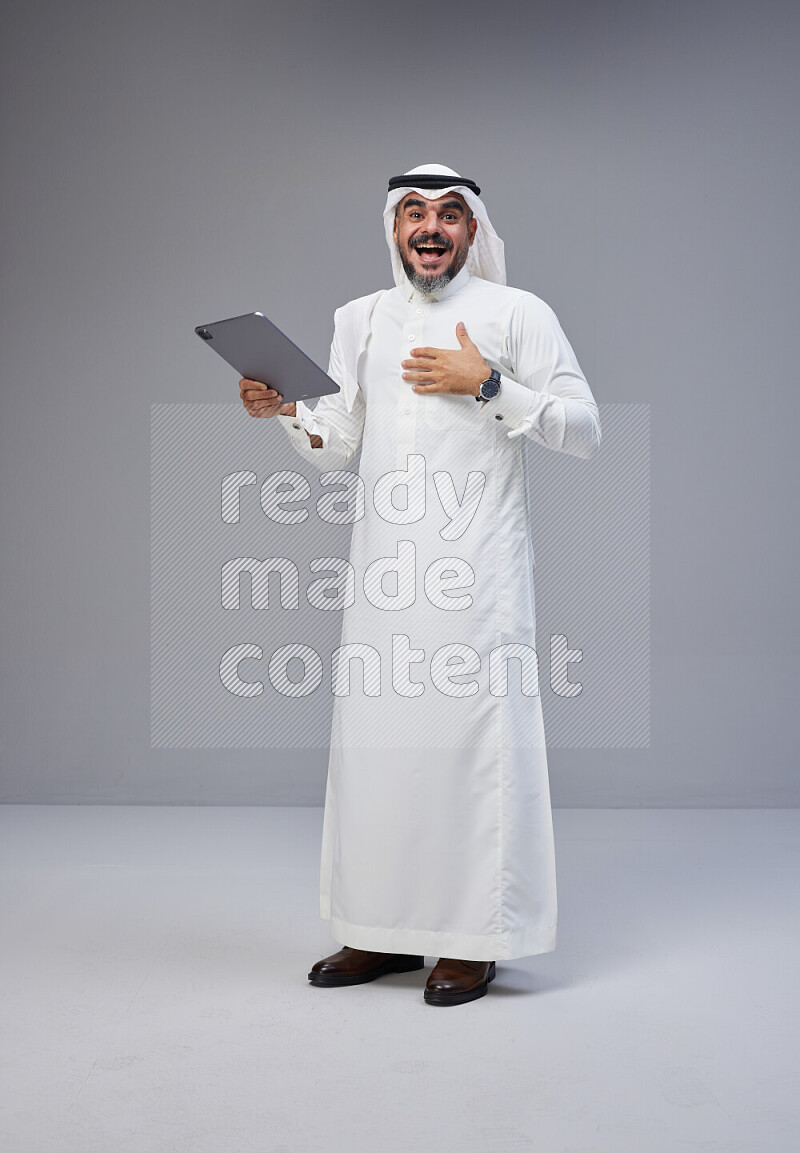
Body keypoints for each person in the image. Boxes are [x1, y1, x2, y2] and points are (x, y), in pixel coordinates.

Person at [240, 163, 601, 1006]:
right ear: (394, 228)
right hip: (383, 574)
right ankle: (377, 927)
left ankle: (474, 940)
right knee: (377, 750)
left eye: (447, 213)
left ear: (473, 229)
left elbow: (585, 430)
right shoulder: (359, 318)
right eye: (413, 213)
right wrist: (287, 409)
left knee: (473, 750)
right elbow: (338, 442)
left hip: (479, 575)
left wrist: (489, 386)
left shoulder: (518, 314)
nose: (430, 227)